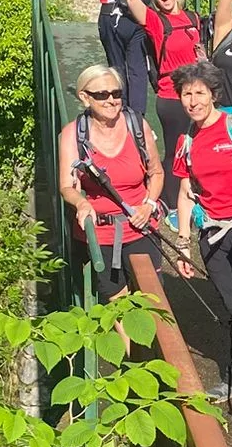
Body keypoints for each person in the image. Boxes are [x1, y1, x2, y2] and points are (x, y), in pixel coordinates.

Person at [55, 63, 165, 303]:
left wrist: (148, 205)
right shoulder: (73, 134)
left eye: (116, 93)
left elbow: (156, 172)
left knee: (150, 300)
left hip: (140, 227)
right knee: (118, 306)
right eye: (101, 95)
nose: (111, 100)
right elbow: (66, 185)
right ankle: (125, 343)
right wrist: (81, 203)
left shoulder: (138, 126)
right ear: (85, 97)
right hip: (101, 233)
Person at [170, 64, 232, 319]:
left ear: (213, 94)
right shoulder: (186, 141)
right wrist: (183, 243)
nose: (193, 102)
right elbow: (186, 191)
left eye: (200, 93)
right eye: (186, 94)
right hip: (212, 234)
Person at [109, 0, 208, 164]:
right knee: (177, 153)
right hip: (171, 96)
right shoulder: (156, 22)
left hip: (198, 93)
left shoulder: (193, 18)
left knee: (199, 150)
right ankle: (169, 195)